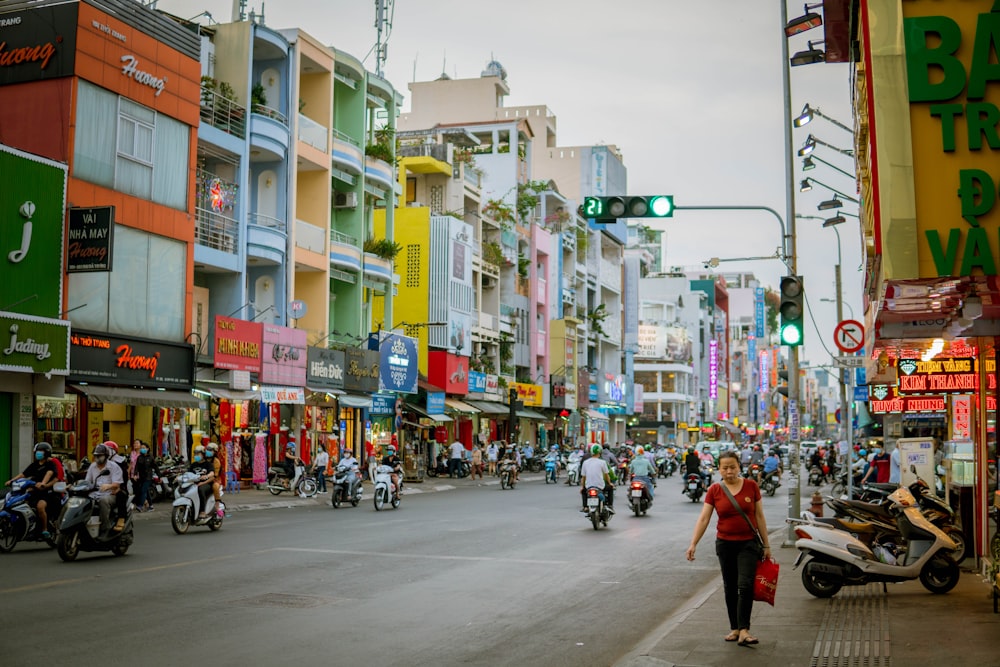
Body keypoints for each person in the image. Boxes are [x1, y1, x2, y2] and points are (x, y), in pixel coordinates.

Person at [686, 450, 770, 647]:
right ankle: (735, 628)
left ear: (739, 467)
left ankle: (745, 630)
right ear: (719, 469)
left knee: (745, 585)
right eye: (725, 467)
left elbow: (759, 516)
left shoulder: (751, 486)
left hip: (748, 543)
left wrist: (766, 544)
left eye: (733, 467)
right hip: (725, 544)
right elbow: (704, 518)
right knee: (730, 587)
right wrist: (693, 544)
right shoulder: (714, 490)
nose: (729, 471)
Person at [5, 442, 59, 538]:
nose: (38, 453)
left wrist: (43, 483)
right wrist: (12, 480)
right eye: (37, 451)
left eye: (40, 451)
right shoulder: (34, 465)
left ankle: (44, 529)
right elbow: (23, 474)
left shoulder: (50, 464)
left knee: (40, 507)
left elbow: (49, 474)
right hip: (33, 491)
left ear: (46, 453)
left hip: (46, 493)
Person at [85, 442, 124, 533]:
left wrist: (109, 486)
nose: (97, 458)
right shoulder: (92, 466)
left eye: (100, 455)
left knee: (103, 500)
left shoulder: (114, 466)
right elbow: (87, 481)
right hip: (94, 494)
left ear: (106, 456)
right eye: (96, 455)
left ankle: (105, 528)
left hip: (110, 494)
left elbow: (117, 484)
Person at [103, 441, 130, 530]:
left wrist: (118, 487)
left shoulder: (120, 462)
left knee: (120, 495)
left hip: (118, 488)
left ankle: (121, 518)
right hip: (104, 487)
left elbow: (124, 478)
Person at [580, 443, 614, 513]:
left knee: (583, 491)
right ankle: (610, 505)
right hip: (600, 486)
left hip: (589, 486)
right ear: (600, 452)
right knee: (610, 488)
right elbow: (606, 475)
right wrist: (610, 483)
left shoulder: (585, 463)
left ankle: (585, 507)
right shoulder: (603, 462)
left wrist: (582, 487)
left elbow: (583, 477)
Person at [188, 445, 215, 519]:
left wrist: (206, 476)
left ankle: (202, 511)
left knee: (200, 489)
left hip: (206, 484)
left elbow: (212, 473)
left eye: (198, 454)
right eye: (195, 454)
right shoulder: (193, 465)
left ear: (203, 455)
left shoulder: (208, 464)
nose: (196, 456)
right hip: (194, 484)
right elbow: (188, 474)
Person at [132, 441, 156, 512]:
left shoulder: (151, 457)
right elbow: (136, 467)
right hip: (141, 477)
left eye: (144, 448)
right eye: (141, 448)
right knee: (146, 492)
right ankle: (151, 506)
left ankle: (140, 506)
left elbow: (155, 467)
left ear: (148, 449)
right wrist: (135, 475)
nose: (142, 449)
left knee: (143, 490)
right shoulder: (139, 457)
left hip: (148, 477)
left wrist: (160, 476)